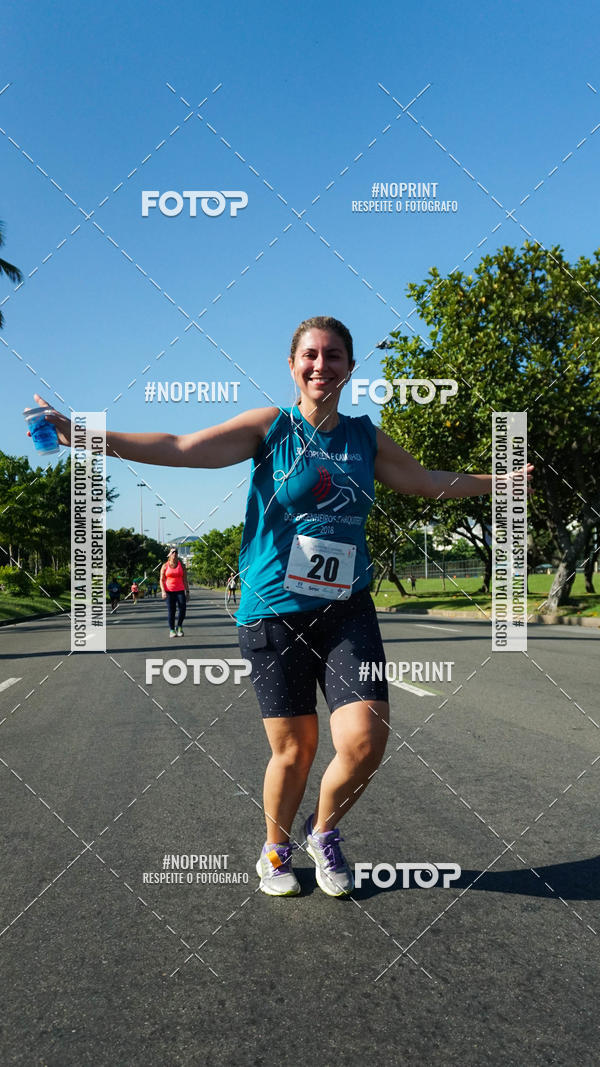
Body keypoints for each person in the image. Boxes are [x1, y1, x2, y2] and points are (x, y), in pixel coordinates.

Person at [32, 315, 532, 899]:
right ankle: (275, 849)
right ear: (293, 366)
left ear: (349, 366)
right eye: (311, 355)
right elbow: (184, 447)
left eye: (335, 355)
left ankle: (324, 832)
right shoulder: (272, 427)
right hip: (274, 611)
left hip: (347, 609)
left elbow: (425, 482)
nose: (322, 365)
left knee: (365, 741)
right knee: (295, 751)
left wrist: (499, 482)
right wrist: (85, 435)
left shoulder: (365, 437)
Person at [160, 547, 190, 637]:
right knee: (171, 611)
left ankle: (179, 626)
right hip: (169, 591)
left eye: (176, 552)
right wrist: (163, 591)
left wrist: (187, 592)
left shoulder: (182, 566)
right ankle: (172, 630)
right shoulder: (165, 566)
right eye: (173, 552)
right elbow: (161, 580)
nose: (175, 554)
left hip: (180, 590)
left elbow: (185, 580)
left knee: (183, 609)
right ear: (169, 555)